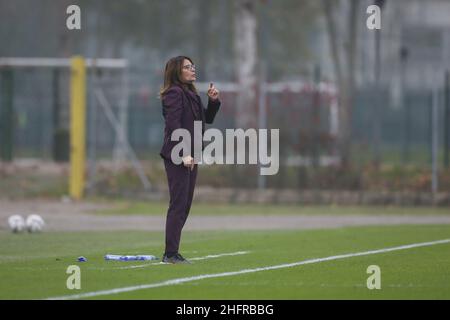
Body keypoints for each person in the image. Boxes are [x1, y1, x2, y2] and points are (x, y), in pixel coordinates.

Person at [159, 56, 221, 264]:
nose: (192, 69)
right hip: (179, 155)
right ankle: (170, 254)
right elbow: (174, 124)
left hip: (191, 155)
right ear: (177, 71)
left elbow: (207, 118)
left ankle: (172, 251)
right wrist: (183, 152)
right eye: (187, 67)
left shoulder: (191, 93)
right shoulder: (173, 93)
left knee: (184, 204)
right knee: (178, 204)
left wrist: (213, 101)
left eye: (193, 66)